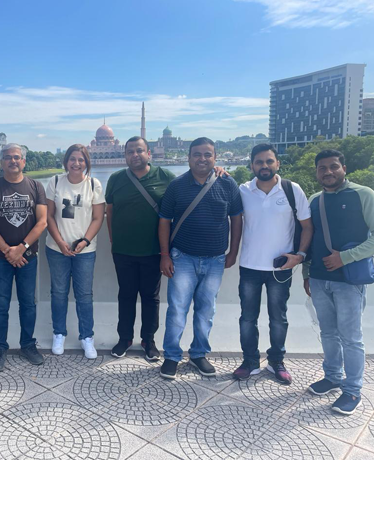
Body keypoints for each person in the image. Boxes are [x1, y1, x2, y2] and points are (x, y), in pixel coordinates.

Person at [158, 137, 243, 379]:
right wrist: (165, 255)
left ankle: (198, 354)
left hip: (215, 259)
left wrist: (233, 252)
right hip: (183, 257)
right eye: (197, 154)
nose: (202, 159)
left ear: (215, 158)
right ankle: (172, 356)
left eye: (207, 154)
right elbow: (164, 221)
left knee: (206, 309)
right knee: (177, 309)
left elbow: (237, 219)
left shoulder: (227, 183)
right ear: (188, 158)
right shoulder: (177, 186)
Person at [233, 143, 313, 384]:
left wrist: (299, 255)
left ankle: (276, 361)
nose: (264, 166)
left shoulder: (291, 189)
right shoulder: (243, 190)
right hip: (250, 266)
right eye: (259, 162)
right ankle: (250, 361)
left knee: (278, 317)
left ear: (277, 163)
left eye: (269, 161)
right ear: (251, 166)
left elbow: (307, 226)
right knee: (247, 318)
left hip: (281, 268)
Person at [303, 149, 374, 415]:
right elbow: (309, 241)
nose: (328, 172)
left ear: (344, 168)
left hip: (349, 280)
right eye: (322, 168)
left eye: (333, 166)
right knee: (328, 333)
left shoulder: (363, 194)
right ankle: (332, 376)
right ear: (317, 172)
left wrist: (345, 258)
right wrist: (307, 273)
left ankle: (352, 390)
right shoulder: (315, 200)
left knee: (351, 337)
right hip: (320, 279)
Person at [105, 136, 175, 361]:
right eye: (130, 152)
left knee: (150, 297)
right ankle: (124, 338)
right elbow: (110, 211)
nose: (135, 155)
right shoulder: (116, 179)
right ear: (124, 155)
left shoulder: (165, 177)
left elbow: (190, 188)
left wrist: (219, 173)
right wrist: (114, 240)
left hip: (154, 250)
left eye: (139, 151)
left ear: (149, 154)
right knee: (125, 295)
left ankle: (148, 339)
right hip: (123, 250)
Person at [0, 143, 47, 372]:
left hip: (28, 256)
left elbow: (42, 222)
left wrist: (22, 247)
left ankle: (28, 344)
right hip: (1, 258)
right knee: (0, 305)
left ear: (24, 161)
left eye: (17, 157)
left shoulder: (36, 187)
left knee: (28, 303)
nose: (12, 161)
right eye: (8, 157)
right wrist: (10, 251)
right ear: (2, 162)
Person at [45, 144, 105, 358]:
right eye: (72, 159)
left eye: (81, 159)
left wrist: (85, 241)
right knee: (59, 293)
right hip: (56, 249)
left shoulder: (93, 185)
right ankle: (59, 333)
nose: (76, 163)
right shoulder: (55, 182)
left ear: (87, 162)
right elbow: (49, 216)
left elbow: (98, 218)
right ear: (66, 161)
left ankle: (87, 337)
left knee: (84, 295)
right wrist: (60, 242)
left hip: (85, 251)